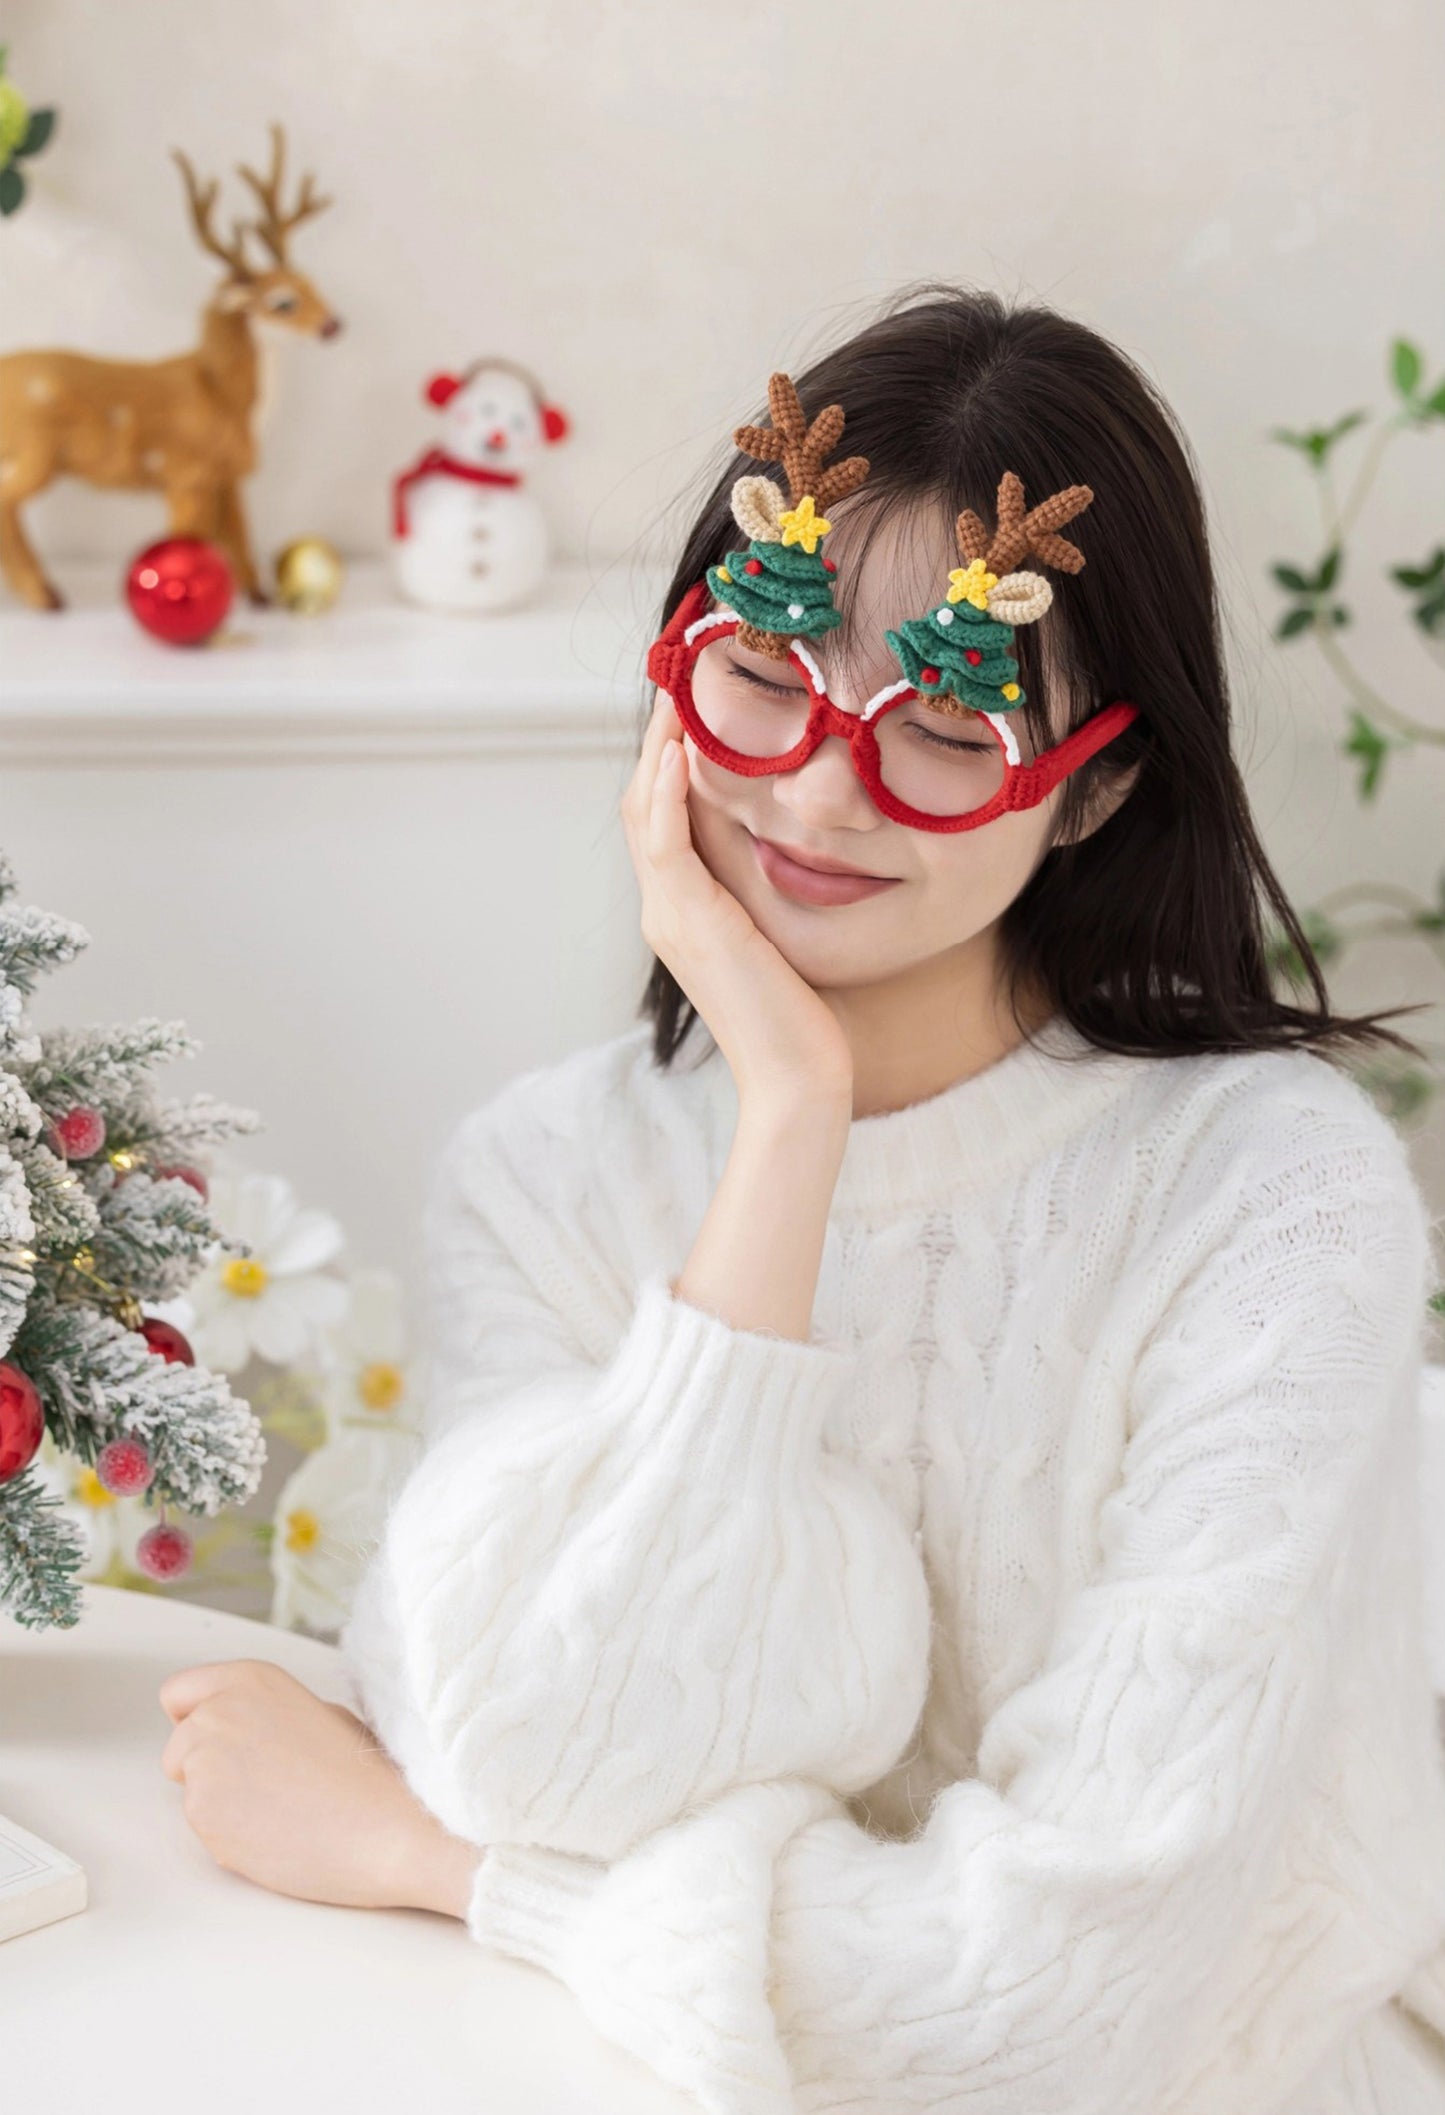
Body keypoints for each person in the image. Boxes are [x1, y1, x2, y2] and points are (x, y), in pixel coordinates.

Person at [157, 285, 1445, 2114]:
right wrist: (787, 1125)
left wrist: (447, 1877)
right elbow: (541, 1739)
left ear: (1091, 796)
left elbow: (1067, 2002)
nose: (823, 798)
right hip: (639, 2065)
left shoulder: (1273, 1203)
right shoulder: (546, 1174)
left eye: (948, 724)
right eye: (764, 678)